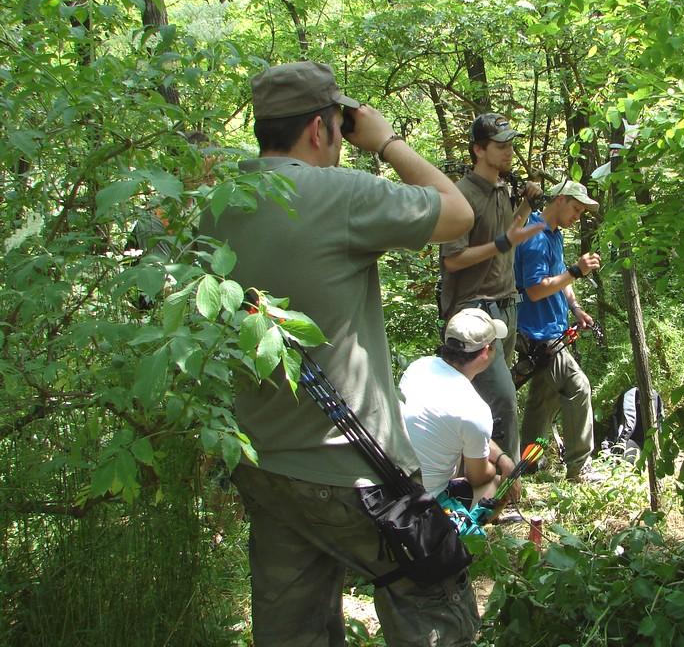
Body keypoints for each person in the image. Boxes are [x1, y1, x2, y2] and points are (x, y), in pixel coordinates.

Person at [202, 61, 477, 647]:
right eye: (338, 124)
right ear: (320, 129)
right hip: (354, 475)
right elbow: (459, 214)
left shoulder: (220, 200)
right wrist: (387, 142)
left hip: (264, 464)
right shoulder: (339, 194)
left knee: (291, 630)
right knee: (431, 599)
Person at [438, 113, 543, 463]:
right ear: (479, 150)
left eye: (510, 144)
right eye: (500, 145)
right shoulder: (461, 195)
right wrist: (501, 243)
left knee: (484, 401)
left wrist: (526, 203)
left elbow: (509, 234)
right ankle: (507, 484)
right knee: (503, 401)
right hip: (474, 311)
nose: (509, 151)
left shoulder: (502, 189)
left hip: (506, 306)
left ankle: (475, 477)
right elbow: (453, 260)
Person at [514, 178, 604, 483]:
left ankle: (527, 463)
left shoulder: (554, 235)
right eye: (576, 209)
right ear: (561, 199)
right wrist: (577, 271)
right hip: (538, 334)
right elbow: (536, 289)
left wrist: (575, 308)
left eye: (581, 212)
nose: (577, 216)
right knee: (578, 387)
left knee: (545, 397)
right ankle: (579, 467)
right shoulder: (535, 236)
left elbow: (559, 278)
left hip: (554, 329)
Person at [400, 307, 521, 508]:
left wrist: (503, 458)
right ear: (486, 352)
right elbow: (477, 478)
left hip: (393, 484)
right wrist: (495, 467)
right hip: (425, 502)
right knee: (496, 485)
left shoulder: (419, 367)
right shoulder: (475, 409)